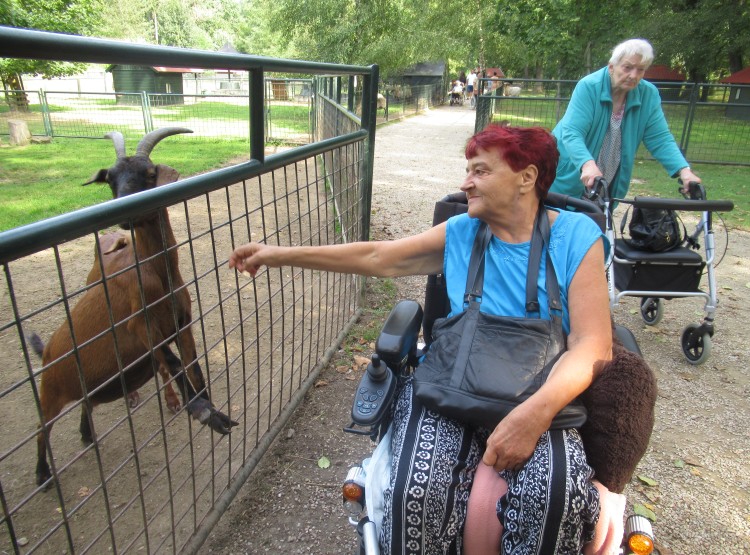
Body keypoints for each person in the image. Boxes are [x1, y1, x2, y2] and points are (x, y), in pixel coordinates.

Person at [229, 125, 613, 554]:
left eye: (480, 171)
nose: (465, 183)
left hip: (539, 398)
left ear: (526, 177)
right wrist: (277, 255)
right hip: (451, 386)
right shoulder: (462, 231)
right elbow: (378, 257)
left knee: (552, 496)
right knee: (416, 490)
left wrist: (534, 416)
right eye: (467, 170)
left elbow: (594, 344)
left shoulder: (575, 236)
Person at [551, 38, 701, 201]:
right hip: (569, 176)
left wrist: (684, 170)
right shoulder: (589, 87)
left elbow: (660, 139)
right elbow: (572, 132)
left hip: (606, 181)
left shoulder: (648, 95)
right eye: (627, 67)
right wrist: (587, 164)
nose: (633, 75)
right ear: (611, 67)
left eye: (640, 70)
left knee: (599, 223)